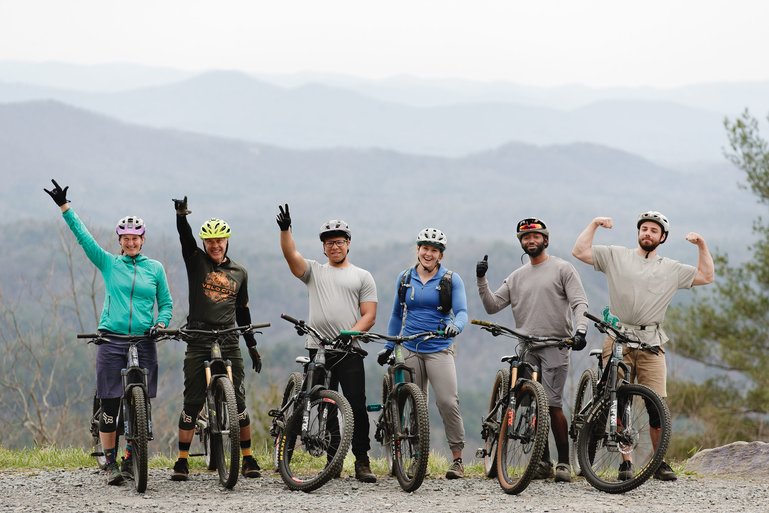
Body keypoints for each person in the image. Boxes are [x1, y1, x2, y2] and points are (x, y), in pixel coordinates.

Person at [43, 179, 173, 485]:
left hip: (144, 339)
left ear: (143, 240)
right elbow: (85, 239)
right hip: (111, 339)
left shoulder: (155, 269)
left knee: (141, 401)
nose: (130, 242)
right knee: (111, 404)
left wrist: (162, 323)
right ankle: (112, 463)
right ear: (120, 240)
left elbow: (165, 304)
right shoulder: (110, 264)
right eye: (125, 238)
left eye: (135, 238)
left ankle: (132, 457)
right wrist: (65, 208)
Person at [572, 211, 714, 481]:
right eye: (644, 229)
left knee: (656, 405)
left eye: (653, 231)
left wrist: (701, 245)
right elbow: (579, 251)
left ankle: (658, 461)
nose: (647, 233)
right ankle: (626, 462)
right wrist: (594, 224)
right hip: (618, 335)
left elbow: (707, 276)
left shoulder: (670, 268)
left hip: (651, 342)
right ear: (638, 232)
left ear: (662, 238)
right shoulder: (617, 256)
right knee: (619, 397)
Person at [476, 218, 588, 483]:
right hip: (527, 347)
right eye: (525, 238)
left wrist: (581, 330)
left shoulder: (563, 268)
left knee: (552, 404)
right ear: (521, 243)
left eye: (536, 236)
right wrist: (481, 279)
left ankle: (563, 462)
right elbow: (493, 305)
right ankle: (543, 462)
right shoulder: (516, 277)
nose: (531, 241)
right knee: (530, 403)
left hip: (556, 345)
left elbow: (579, 302)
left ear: (545, 240)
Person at [276, 204, 378, 482]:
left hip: (350, 350)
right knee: (324, 405)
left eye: (340, 242)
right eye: (329, 242)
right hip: (318, 348)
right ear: (323, 248)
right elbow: (291, 255)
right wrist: (285, 230)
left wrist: (350, 333)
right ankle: (333, 461)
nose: (335, 246)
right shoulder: (314, 271)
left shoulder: (362, 276)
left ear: (348, 245)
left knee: (356, 406)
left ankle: (362, 460)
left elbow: (369, 315)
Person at [170, 196, 263, 481]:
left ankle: (247, 458)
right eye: (210, 241)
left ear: (226, 242)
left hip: (229, 338)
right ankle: (182, 460)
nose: (215, 245)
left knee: (239, 402)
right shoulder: (196, 261)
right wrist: (181, 215)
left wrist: (252, 346)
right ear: (205, 243)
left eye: (219, 241)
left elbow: (243, 312)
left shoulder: (239, 272)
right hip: (198, 337)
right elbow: (186, 240)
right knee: (192, 402)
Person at [385, 228, 469, 479]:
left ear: (440, 255)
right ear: (418, 250)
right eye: (425, 249)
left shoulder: (451, 279)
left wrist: (456, 326)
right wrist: (390, 346)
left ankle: (457, 459)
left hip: (438, 348)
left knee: (447, 401)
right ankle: (415, 458)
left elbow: (462, 311)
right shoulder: (404, 278)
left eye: (434, 250)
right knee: (413, 402)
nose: (428, 253)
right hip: (410, 346)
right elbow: (396, 315)